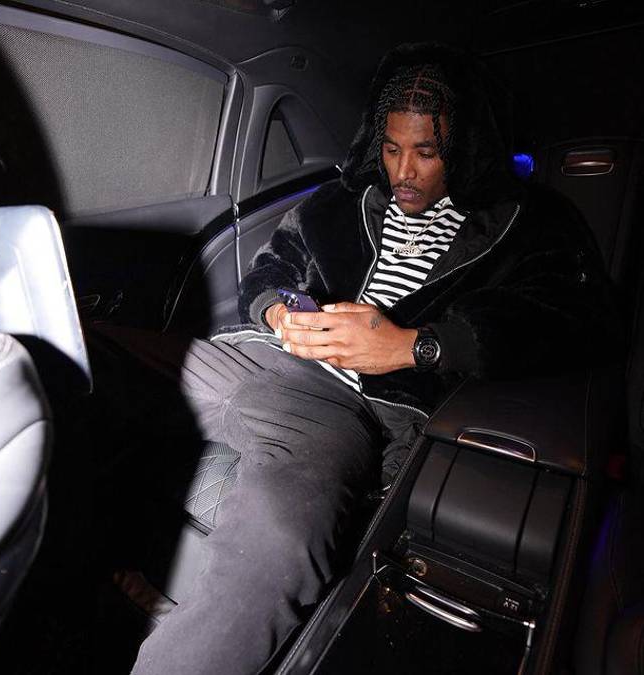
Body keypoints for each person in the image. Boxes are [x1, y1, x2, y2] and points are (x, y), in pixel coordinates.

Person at [129, 41, 617, 674]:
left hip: (350, 407)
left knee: (281, 537)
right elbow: (268, 271)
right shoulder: (340, 203)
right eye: (391, 149)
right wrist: (279, 314)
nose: (403, 171)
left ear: (462, 148)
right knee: (75, 355)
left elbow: (575, 320)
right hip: (257, 358)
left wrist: (414, 345)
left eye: (426, 152)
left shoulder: (529, 224)